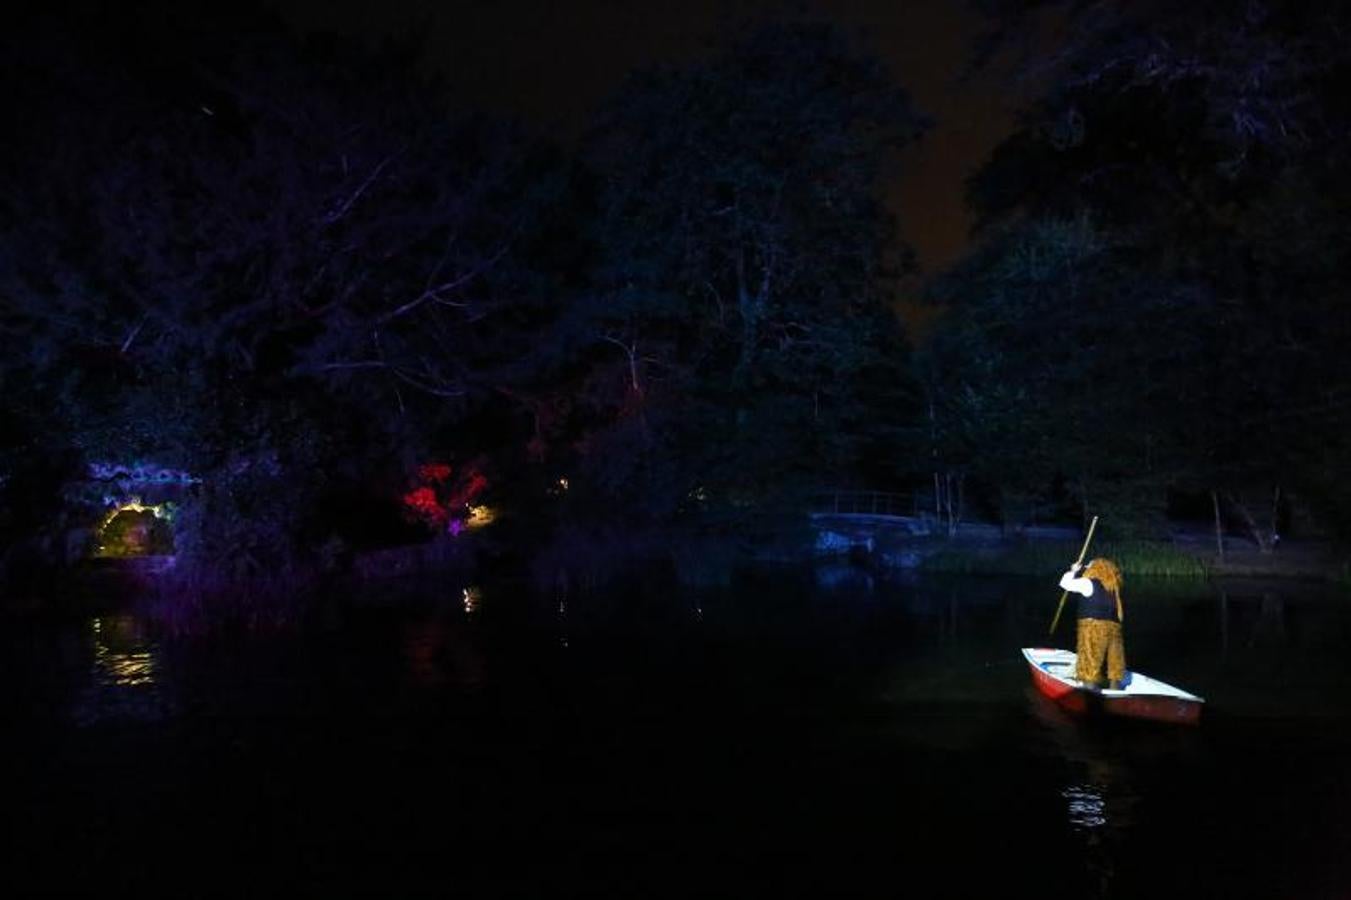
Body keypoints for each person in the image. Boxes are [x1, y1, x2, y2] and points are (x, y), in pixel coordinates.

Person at [1058, 557, 1127, 689]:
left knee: (1089, 660)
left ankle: (1089, 690)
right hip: (1114, 628)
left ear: (1095, 569)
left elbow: (1064, 583)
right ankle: (1115, 688)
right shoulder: (1114, 588)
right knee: (1114, 661)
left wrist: (1073, 571)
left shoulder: (1088, 583)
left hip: (1092, 627)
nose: (1086, 569)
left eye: (1088, 566)